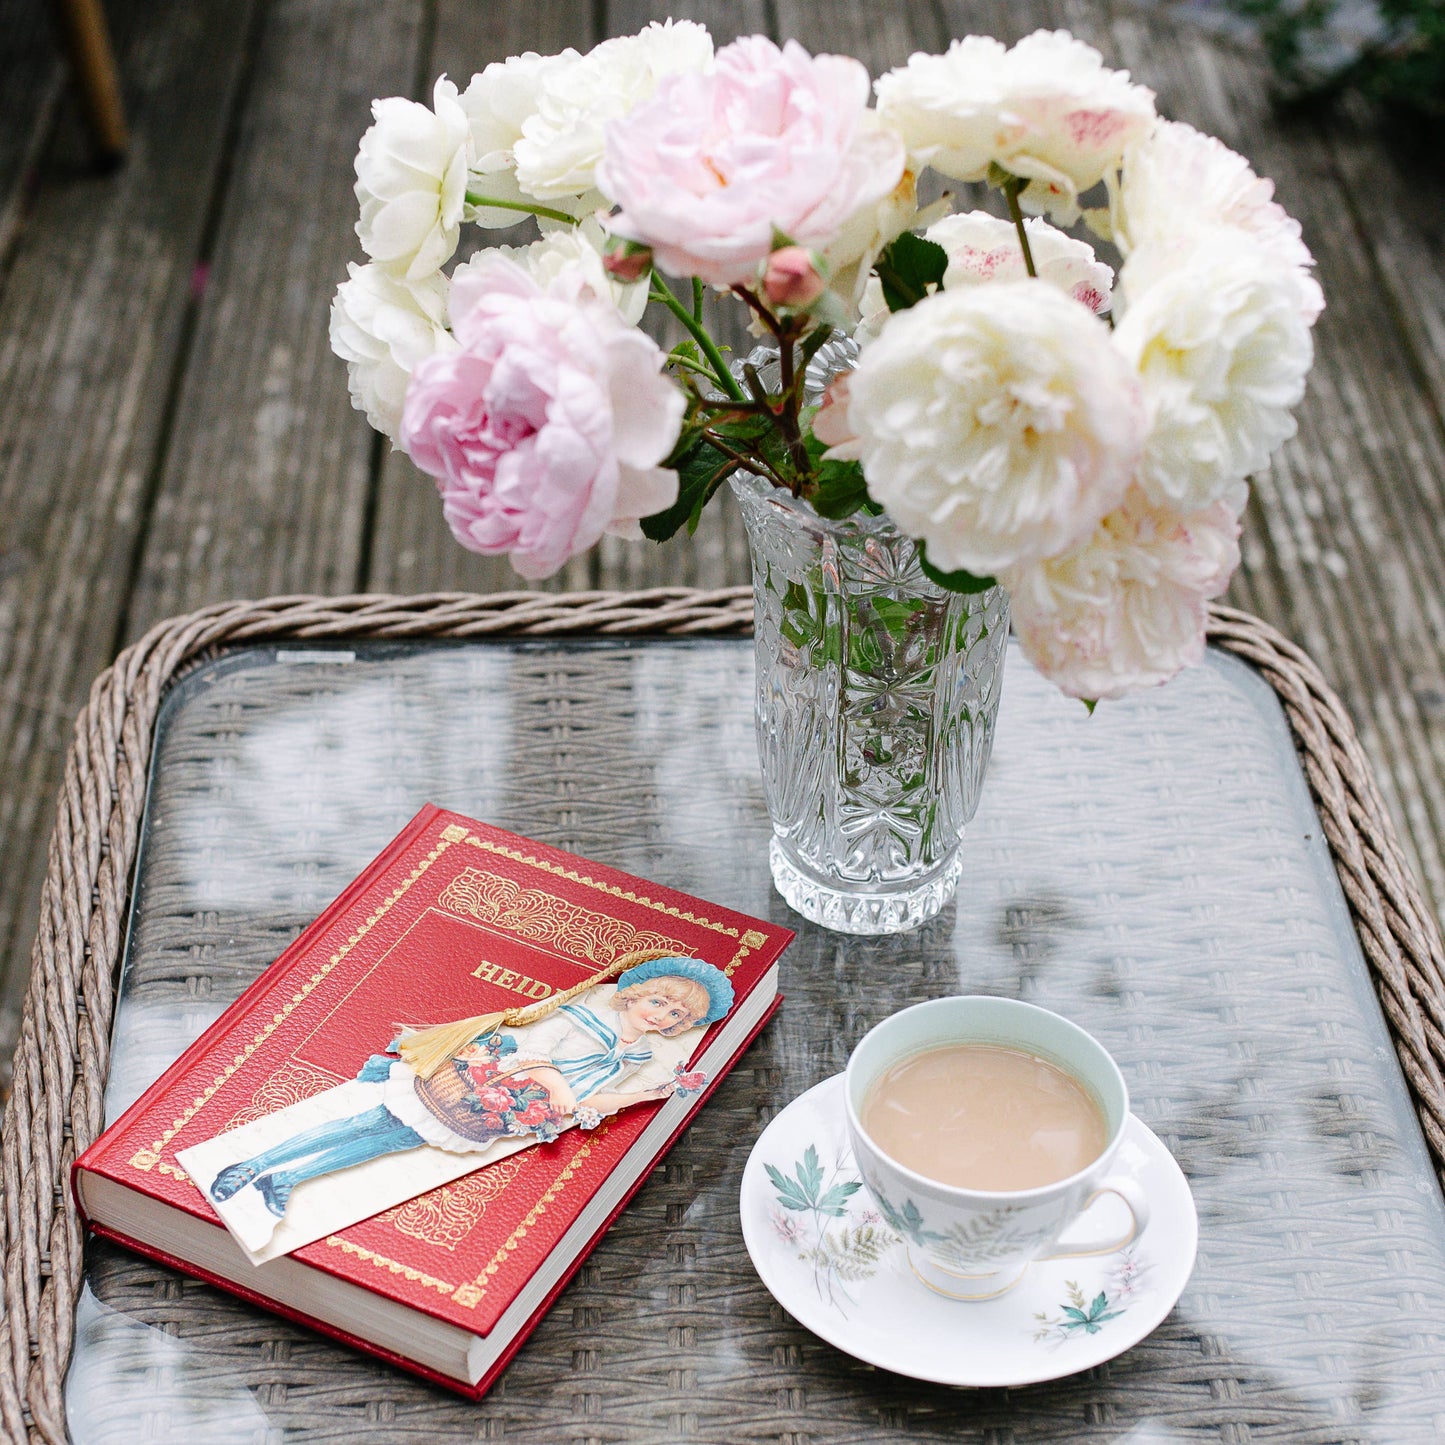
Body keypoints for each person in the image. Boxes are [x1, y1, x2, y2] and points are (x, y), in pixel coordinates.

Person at [206, 956, 733, 1218]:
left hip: (497, 1113)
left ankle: (288, 1178)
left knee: (389, 1143)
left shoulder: (635, 1055)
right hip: (481, 1084)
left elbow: (594, 1099)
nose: (664, 1016)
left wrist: (655, 1093)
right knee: (365, 1124)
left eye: (677, 1015)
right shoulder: (579, 1016)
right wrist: (558, 1089)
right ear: (635, 994)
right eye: (659, 1002)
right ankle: (251, 1164)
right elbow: (531, 1051)